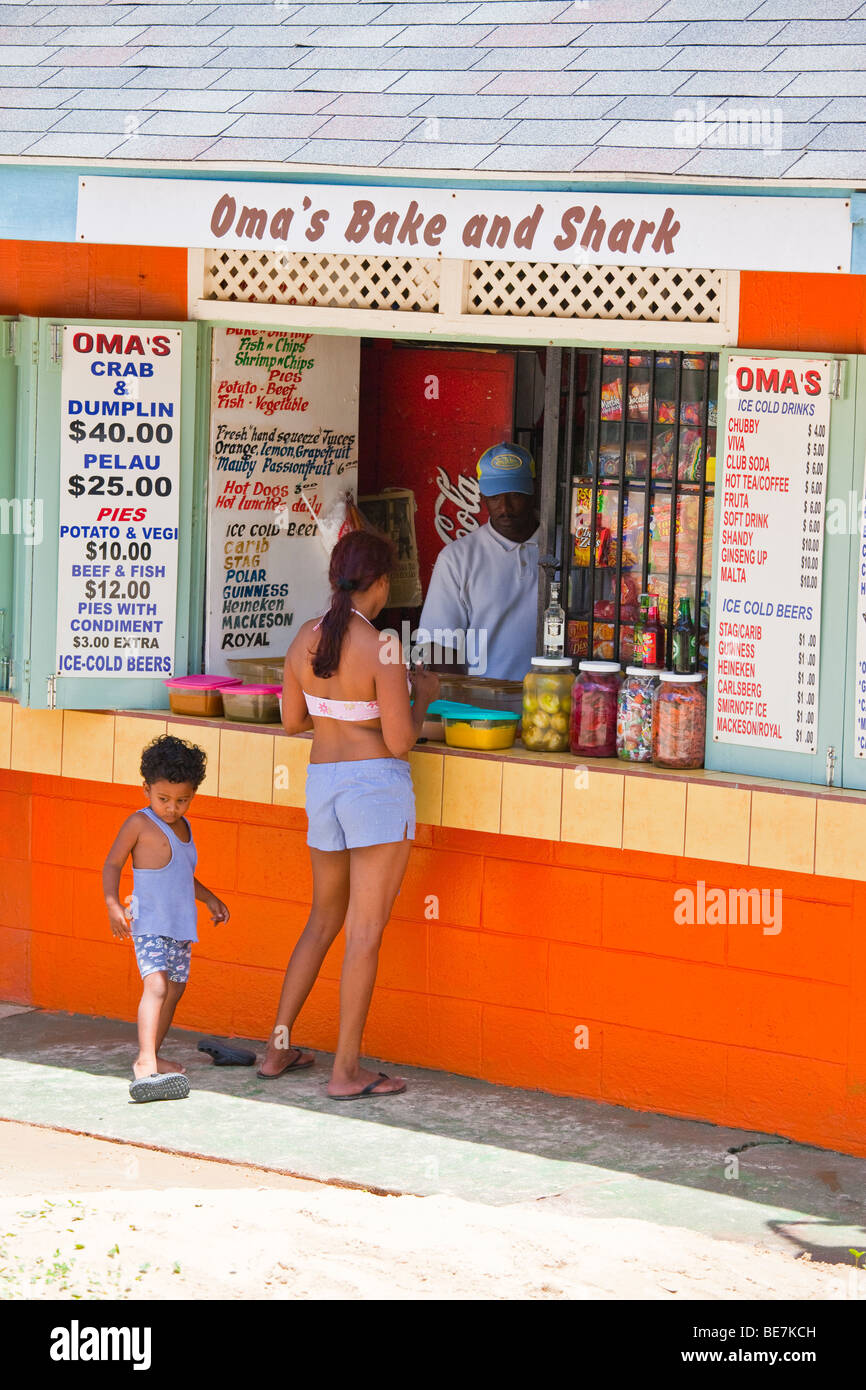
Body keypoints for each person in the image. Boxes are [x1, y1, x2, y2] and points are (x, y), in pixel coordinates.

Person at [258, 528, 439, 1099]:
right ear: (381, 583)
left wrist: (340, 716)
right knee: (364, 934)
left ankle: (277, 1047)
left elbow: (291, 722)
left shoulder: (302, 639)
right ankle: (346, 1072)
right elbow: (401, 739)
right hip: (375, 791)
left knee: (321, 922)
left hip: (322, 783)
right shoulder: (383, 644)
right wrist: (423, 694)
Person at [103, 734, 230, 1104]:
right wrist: (113, 905)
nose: (172, 808)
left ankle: (155, 1053)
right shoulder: (139, 824)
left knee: (174, 990)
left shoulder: (184, 829)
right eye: (163, 799)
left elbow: (181, 876)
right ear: (146, 789)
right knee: (156, 986)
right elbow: (112, 863)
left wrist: (210, 899)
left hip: (179, 925)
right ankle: (144, 1064)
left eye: (182, 800)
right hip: (151, 923)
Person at [417, 441, 540, 680]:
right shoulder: (457, 558)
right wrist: (465, 705)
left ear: (533, 491)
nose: (505, 508)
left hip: (557, 704)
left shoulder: (568, 549)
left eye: (515, 495)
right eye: (495, 497)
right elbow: (439, 646)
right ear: (482, 496)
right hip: (485, 708)